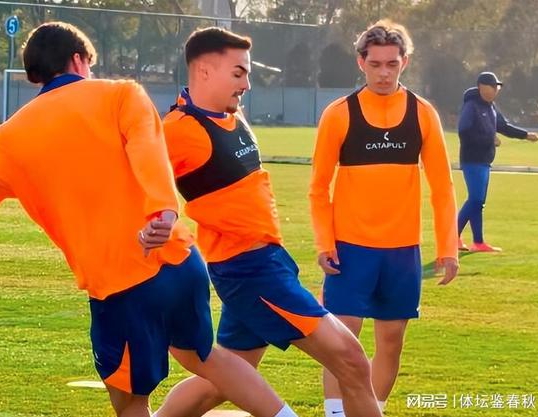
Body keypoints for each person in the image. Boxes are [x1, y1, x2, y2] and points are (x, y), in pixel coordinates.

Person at [0, 21, 299, 417]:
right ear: (78, 60)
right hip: (180, 260)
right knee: (206, 357)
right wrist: (163, 211)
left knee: (131, 402)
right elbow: (148, 149)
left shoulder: (5, 141)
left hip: (119, 285)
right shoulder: (122, 93)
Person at [154, 27, 382, 417]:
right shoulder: (177, 129)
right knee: (351, 359)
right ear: (204, 71)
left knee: (222, 382)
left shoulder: (231, 116)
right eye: (238, 73)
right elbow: (136, 180)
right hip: (249, 272)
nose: (247, 84)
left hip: (268, 260)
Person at [309, 20, 459, 417]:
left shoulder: (423, 113)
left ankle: (372, 411)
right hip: (350, 250)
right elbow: (318, 188)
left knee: (391, 343)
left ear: (404, 62)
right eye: (375, 64)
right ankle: (336, 414)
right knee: (341, 344)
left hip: (402, 251)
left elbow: (442, 188)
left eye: (392, 64)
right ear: (361, 62)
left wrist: (448, 248)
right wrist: (324, 243)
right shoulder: (339, 114)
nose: (383, 73)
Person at [457, 71, 538, 252]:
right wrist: (489, 139)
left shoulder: (491, 107)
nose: (496, 90)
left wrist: (525, 135)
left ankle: (478, 243)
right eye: (493, 87)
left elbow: (504, 127)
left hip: (485, 160)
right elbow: (464, 130)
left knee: (478, 202)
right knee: (475, 199)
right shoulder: (471, 106)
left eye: (497, 87)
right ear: (482, 87)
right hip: (472, 160)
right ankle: (452, 235)